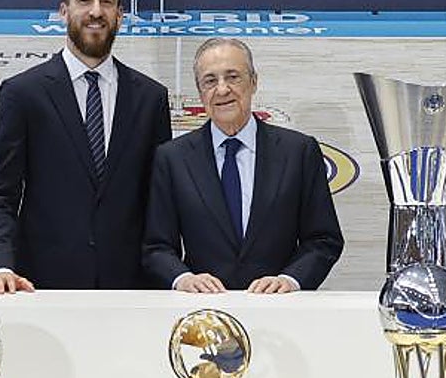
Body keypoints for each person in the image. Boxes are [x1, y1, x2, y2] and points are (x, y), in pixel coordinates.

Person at [0, 0, 173, 292]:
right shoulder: (23, 93)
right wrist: (0, 266)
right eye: (85, 0)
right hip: (41, 288)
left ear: (120, 15)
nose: (96, 11)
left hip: (131, 290)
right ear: (63, 12)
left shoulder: (151, 98)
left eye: (106, 2)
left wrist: (171, 272)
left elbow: (160, 203)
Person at [142, 38, 344, 293]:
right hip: (203, 308)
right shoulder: (172, 158)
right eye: (210, 81)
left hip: (278, 306)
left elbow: (323, 239)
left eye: (233, 77)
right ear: (200, 92)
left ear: (254, 82)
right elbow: (156, 247)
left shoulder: (299, 152)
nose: (222, 89)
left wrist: (290, 279)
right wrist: (182, 278)